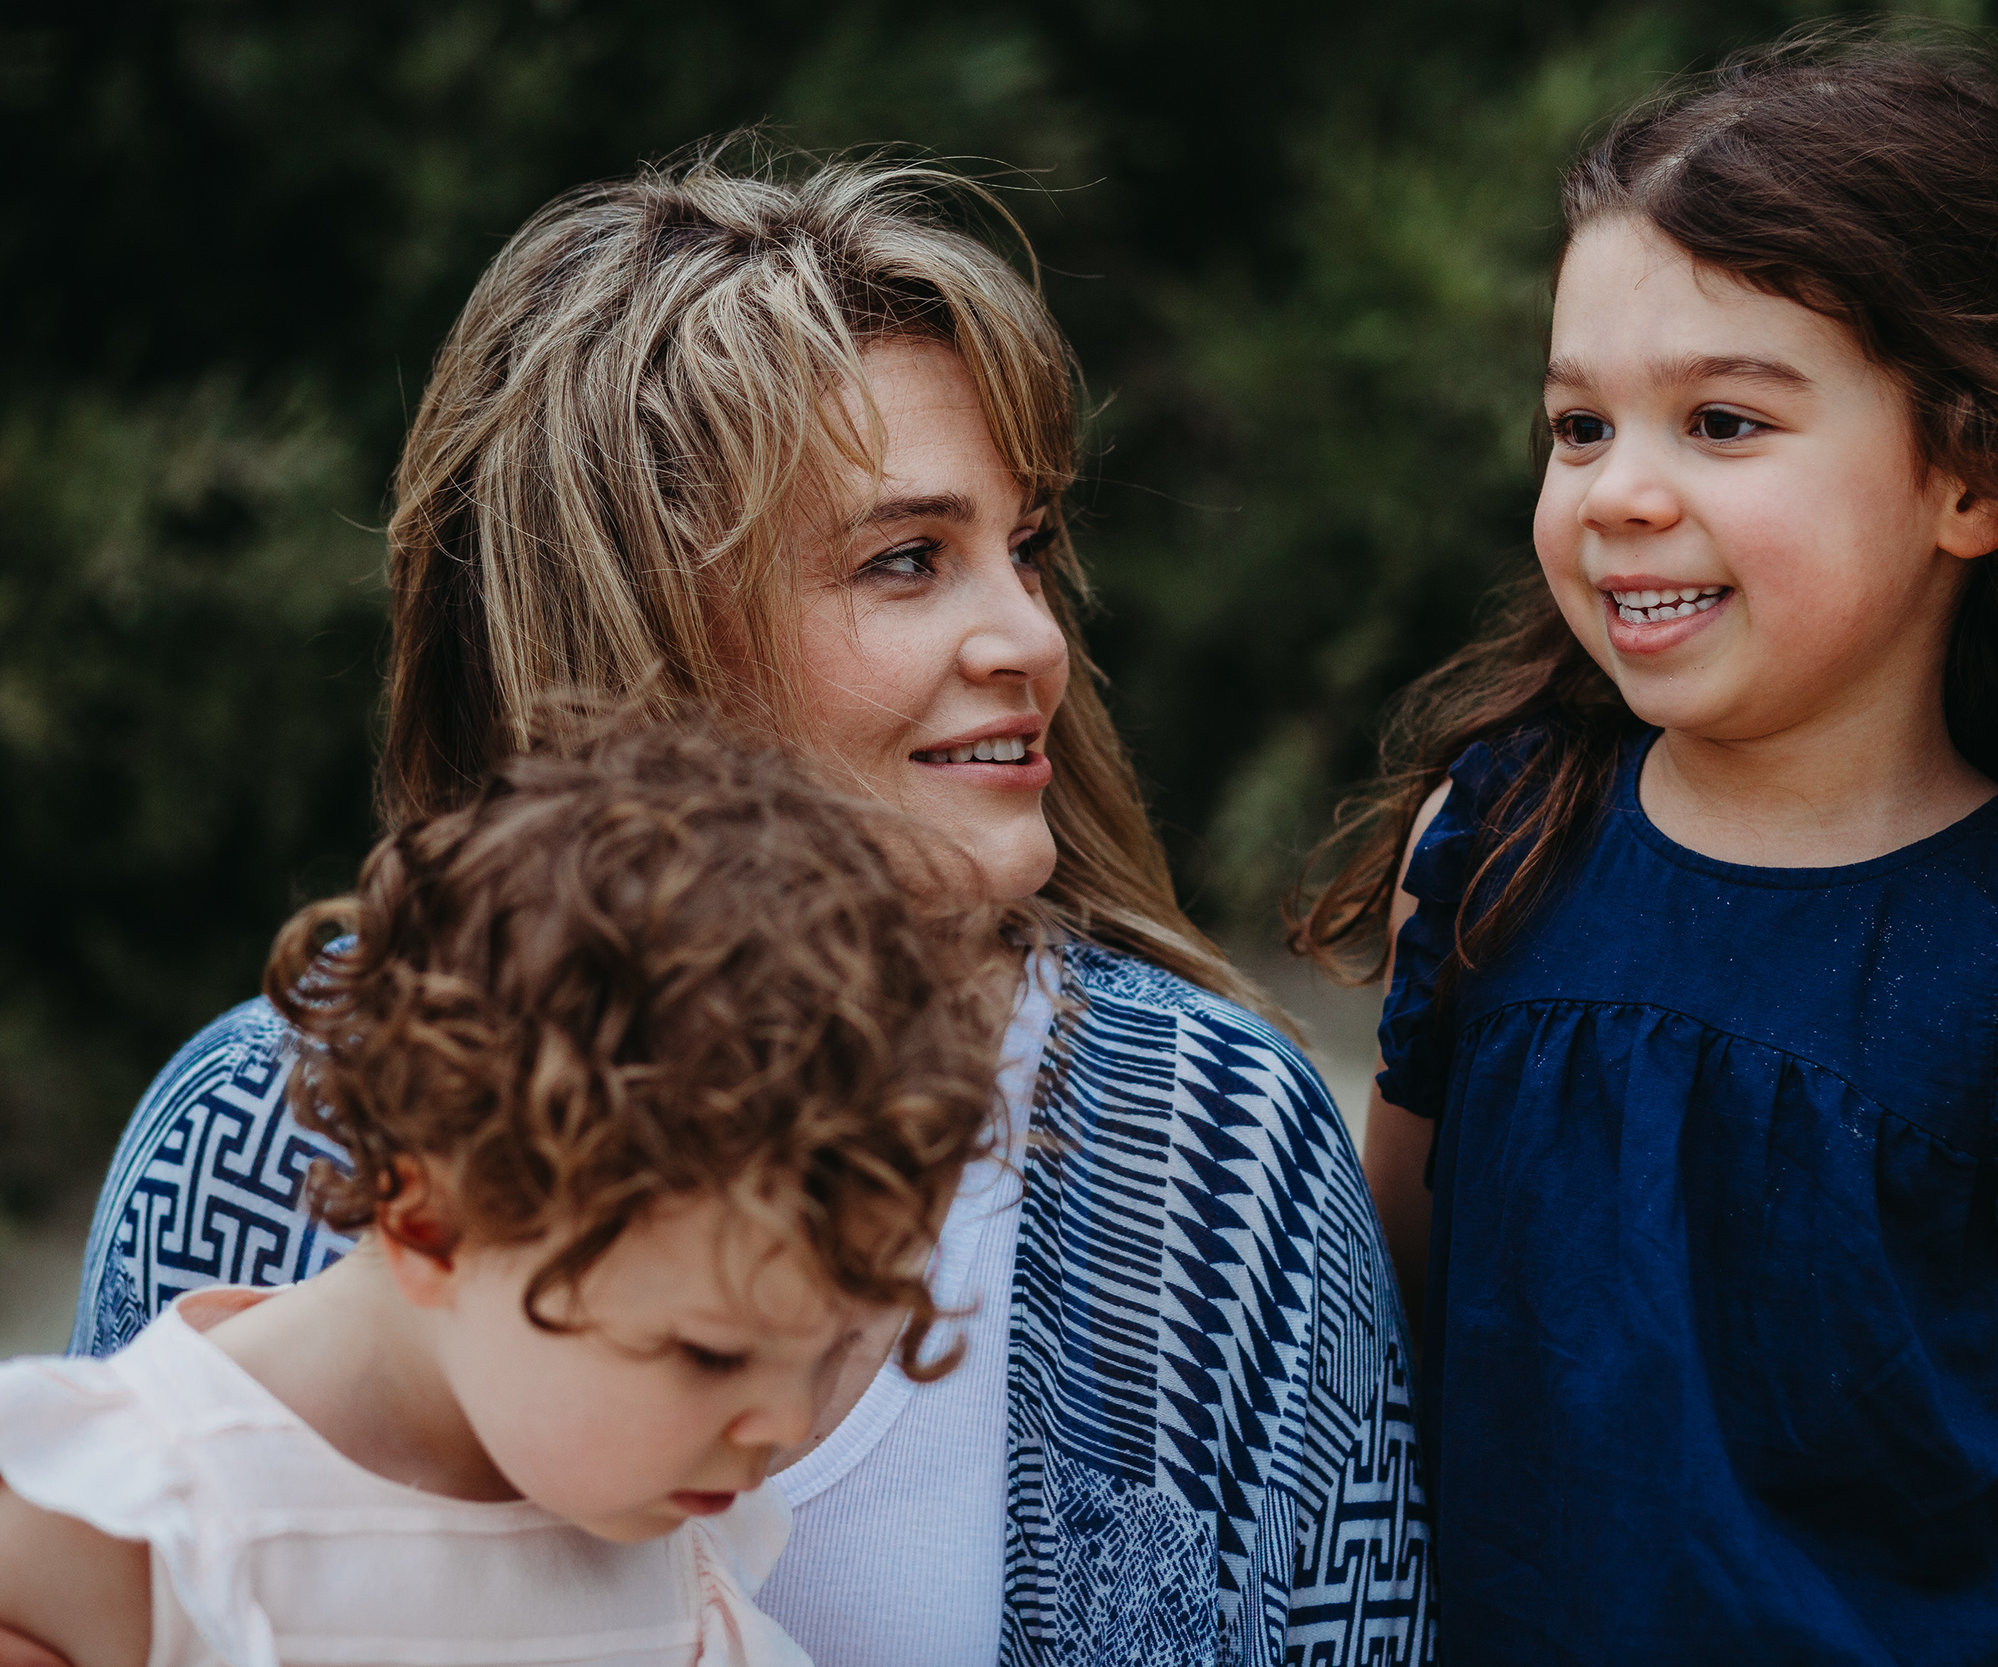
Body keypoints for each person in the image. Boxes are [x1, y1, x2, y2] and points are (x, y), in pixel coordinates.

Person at [70, 152, 1432, 1665]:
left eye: (1026, 546)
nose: (1030, 635)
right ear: (641, 622)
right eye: (907, 559)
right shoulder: (265, 1126)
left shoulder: (1207, 1141)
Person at [1296, 29, 1998, 1666]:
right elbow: (1376, 1361)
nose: (1617, 492)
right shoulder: (1490, 853)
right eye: (1580, 424)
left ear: (1979, 475)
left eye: (1723, 423)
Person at [2, 717, 1003, 1667]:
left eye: (828, 1350)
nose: (783, 1425)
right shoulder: (126, 1510)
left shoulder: (654, 1510)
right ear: (434, 1225)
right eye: (710, 1352)